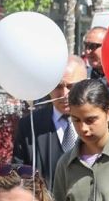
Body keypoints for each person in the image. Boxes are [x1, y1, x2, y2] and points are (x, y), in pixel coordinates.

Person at [12, 57, 86, 185]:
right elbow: (18, 171)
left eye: (71, 86)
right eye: (58, 87)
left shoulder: (101, 123)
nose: (64, 94)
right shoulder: (30, 125)